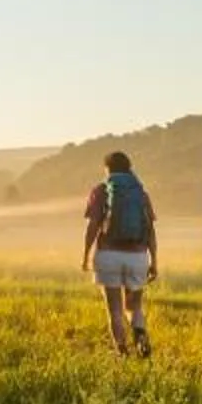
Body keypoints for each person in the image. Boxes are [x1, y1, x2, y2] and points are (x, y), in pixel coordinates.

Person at [79, 150, 158, 356]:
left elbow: (93, 226)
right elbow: (150, 230)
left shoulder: (101, 190)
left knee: (114, 310)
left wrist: (86, 254)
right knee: (134, 307)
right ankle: (140, 333)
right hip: (137, 257)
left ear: (107, 169)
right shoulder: (141, 193)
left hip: (108, 256)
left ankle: (122, 353)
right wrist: (154, 261)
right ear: (129, 168)